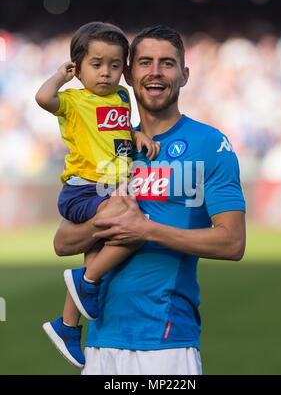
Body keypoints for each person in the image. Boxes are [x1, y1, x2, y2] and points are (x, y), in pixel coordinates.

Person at [53, 25, 246, 375]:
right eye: (144, 62)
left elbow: (233, 242)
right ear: (128, 73)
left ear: (184, 75)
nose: (155, 72)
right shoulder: (108, 145)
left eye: (167, 64)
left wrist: (146, 230)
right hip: (98, 343)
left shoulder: (210, 144)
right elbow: (63, 242)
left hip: (166, 342)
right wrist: (106, 223)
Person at [35, 22, 160, 369]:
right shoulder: (74, 100)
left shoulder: (122, 97)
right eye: (96, 64)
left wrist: (135, 136)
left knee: (97, 251)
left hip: (110, 186)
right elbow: (43, 98)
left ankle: (68, 326)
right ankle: (84, 280)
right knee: (132, 225)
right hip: (84, 188)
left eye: (115, 65)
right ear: (78, 67)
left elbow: (117, 131)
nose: (106, 73)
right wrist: (61, 77)